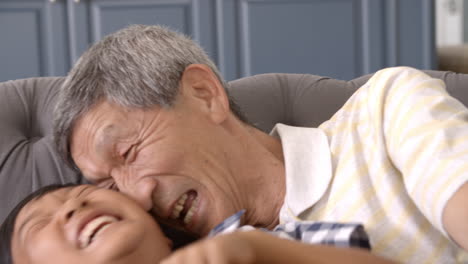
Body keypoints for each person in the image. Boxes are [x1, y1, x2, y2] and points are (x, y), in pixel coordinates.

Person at [53, 24, 468, 263]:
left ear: (203, 94)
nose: (138, 199)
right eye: (109, 186)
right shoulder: (177, 252)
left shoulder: (384, 110)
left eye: (128, 153)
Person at [0, 184, 395, 264]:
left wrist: (255, 250)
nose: (73, 207)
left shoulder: (238, 244)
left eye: (82, 194)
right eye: (39, 225)